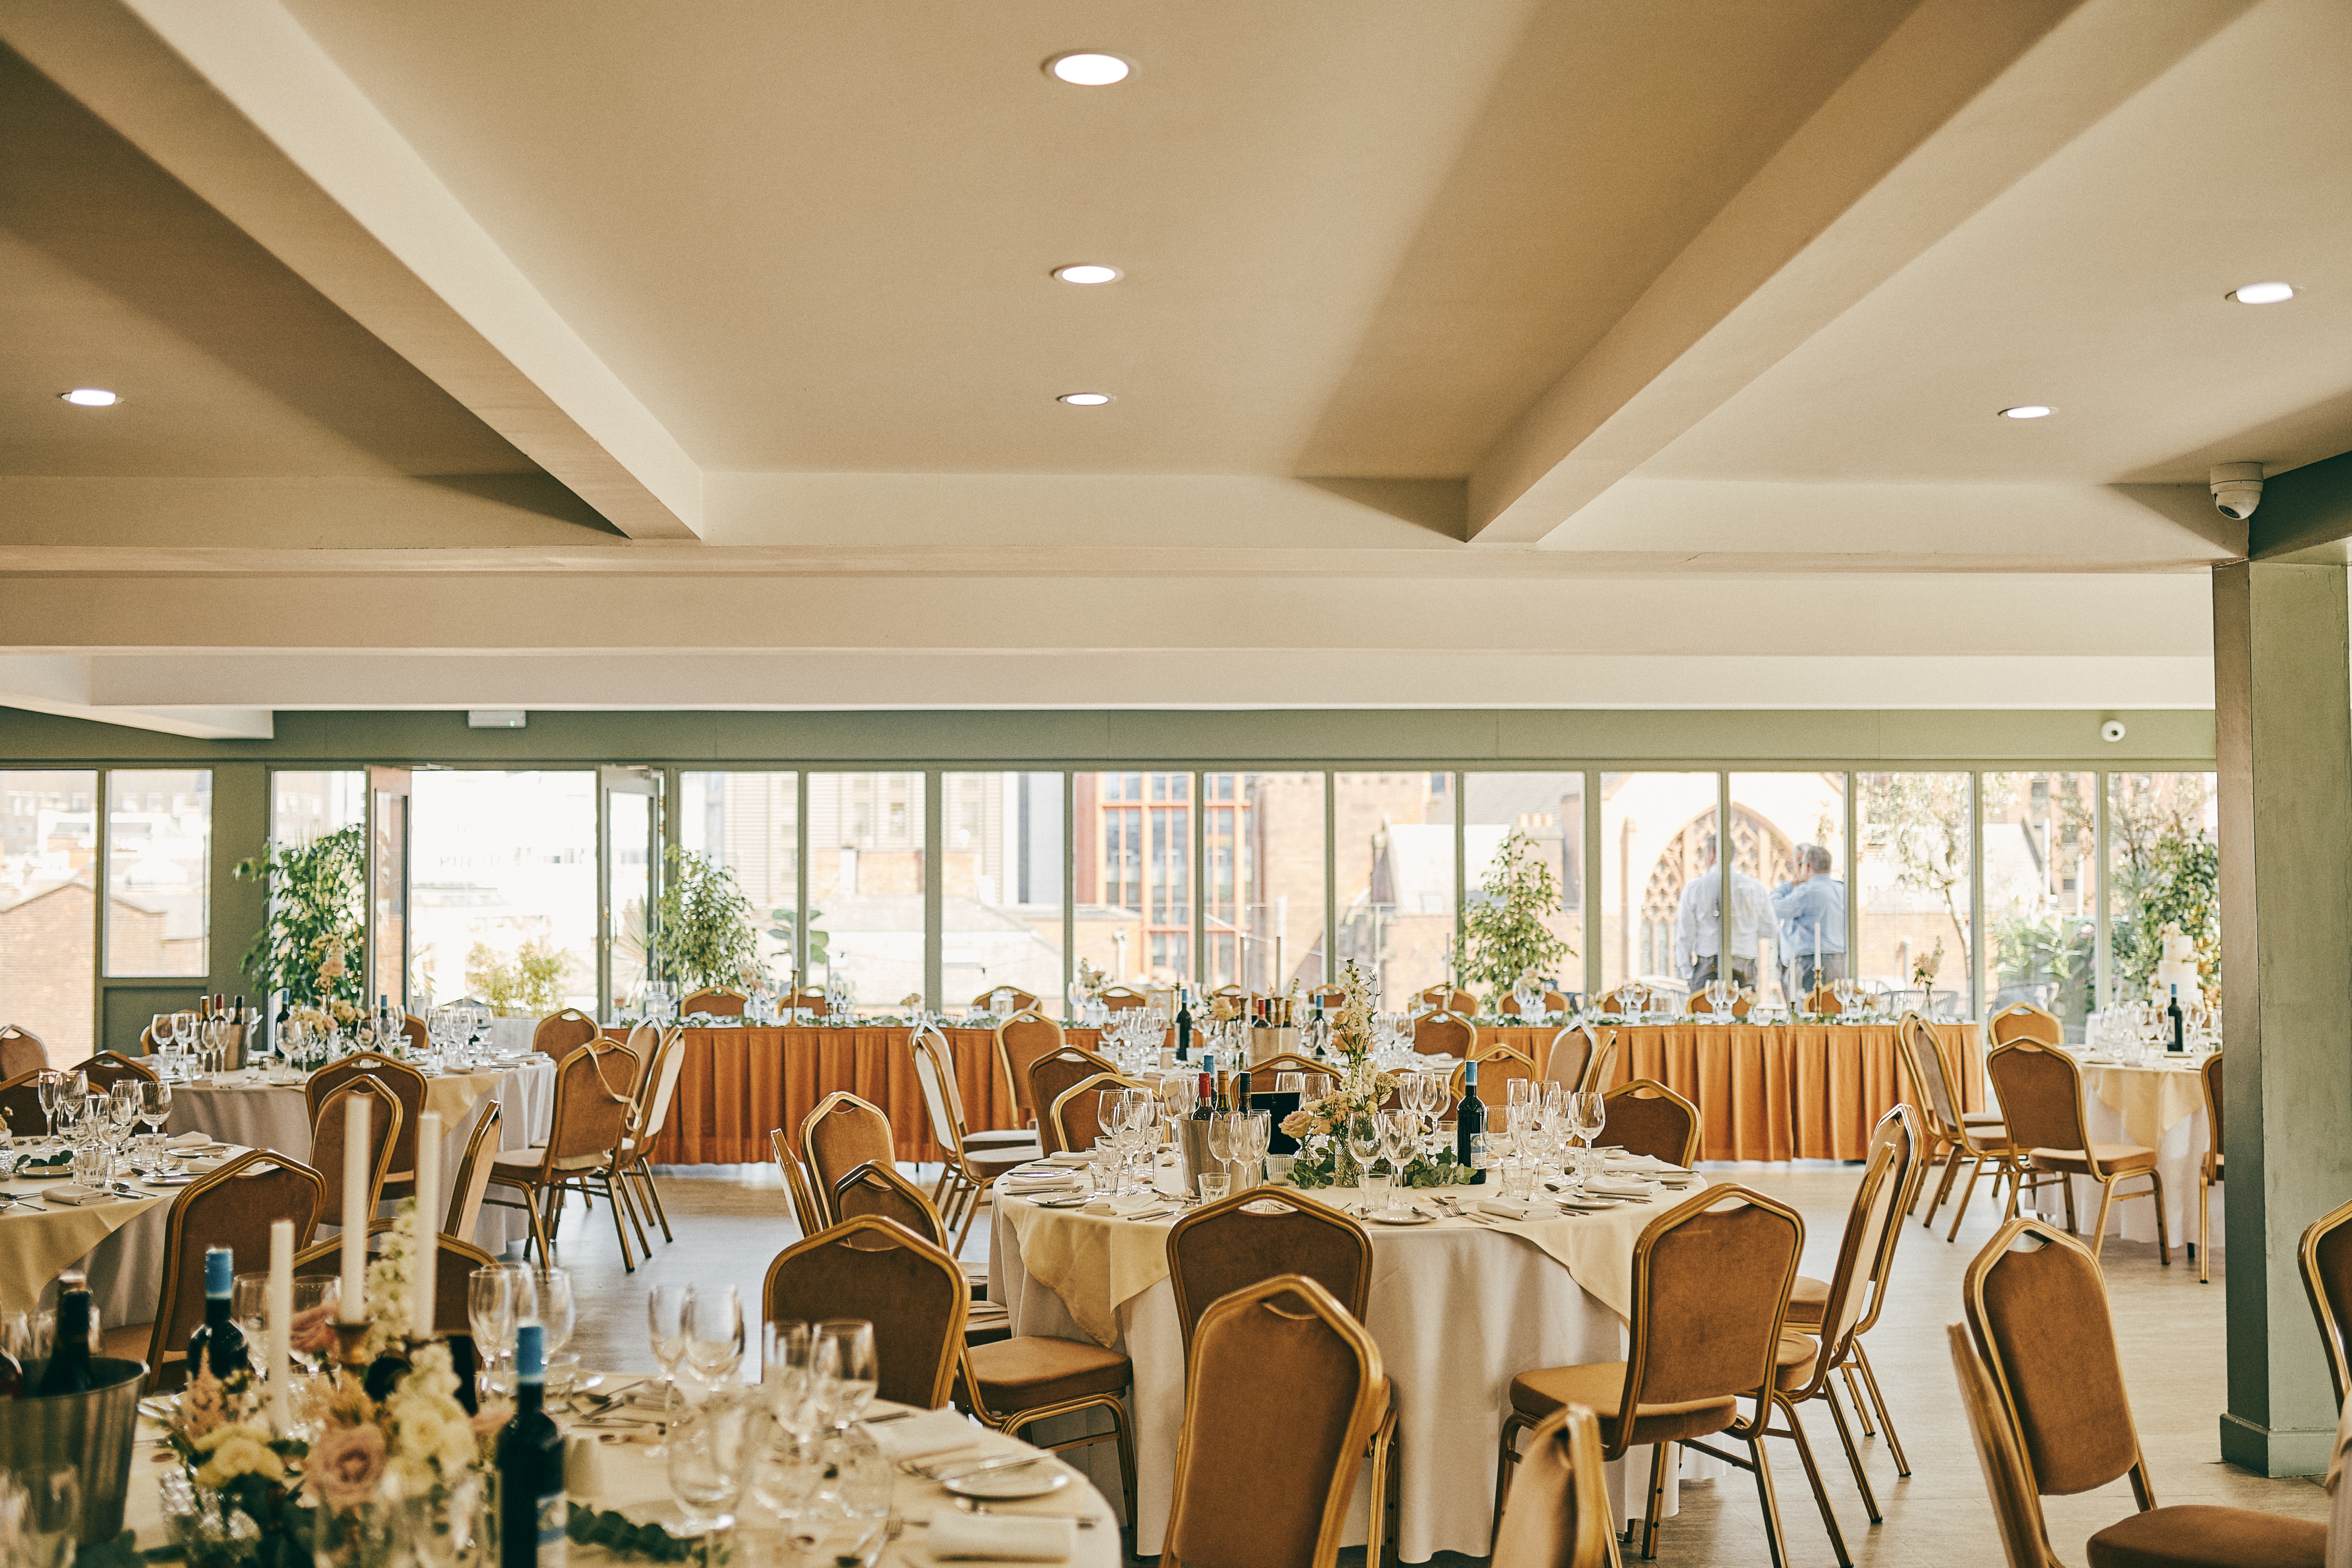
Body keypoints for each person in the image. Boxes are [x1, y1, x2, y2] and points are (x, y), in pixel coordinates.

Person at [1673, 834, 1769, 990]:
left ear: (1712, 854)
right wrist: (1744, 932)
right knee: (1743, 1011)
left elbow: (1685, 935)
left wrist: (1688, 973)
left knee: (1704, 1011)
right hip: (1746, 963)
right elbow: (1770, 929)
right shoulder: (1756, 888)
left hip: (1709, 964)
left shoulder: (1695, 888)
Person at [1771, 844, 1847, 999]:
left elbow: (1774, 908)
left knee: (1807, 1012)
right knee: (1832, 1009)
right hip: (1839, 962)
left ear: (1807, 866)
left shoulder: (1807, 892)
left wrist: (1787, 886)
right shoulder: (1842, 890)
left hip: (1810, 965)